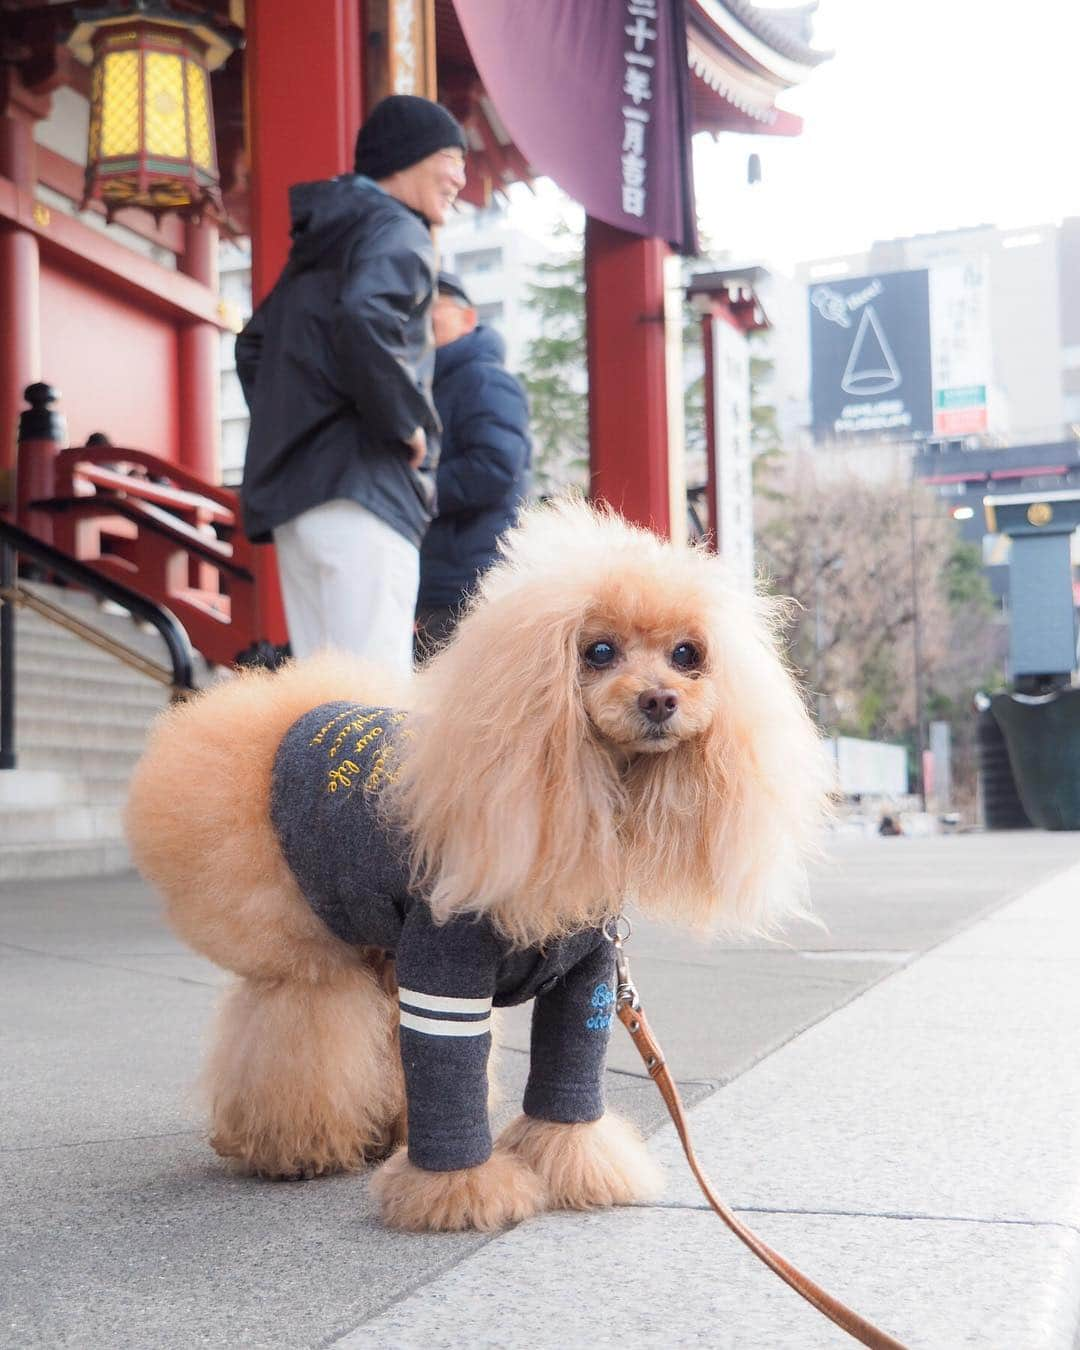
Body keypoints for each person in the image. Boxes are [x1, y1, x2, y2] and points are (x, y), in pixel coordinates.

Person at [236, 95, 467, 676]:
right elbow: (368, 317)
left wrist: (296, 422)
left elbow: (252, 347)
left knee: (322, 696)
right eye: (450, 157)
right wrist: (404, 420)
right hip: (366, 491)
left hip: (298, 501)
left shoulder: (320, 243)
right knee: (376, 694)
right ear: (407, 160)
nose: (461, 177)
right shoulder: (399, 230)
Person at [414, 272, 531, 660]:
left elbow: (495, 467)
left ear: (468, 318)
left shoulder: (484, 379)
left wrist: (415, 489)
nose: (424, 315)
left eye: (435, 306)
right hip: (442, 573)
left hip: (472, 576)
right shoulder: (434, 383)